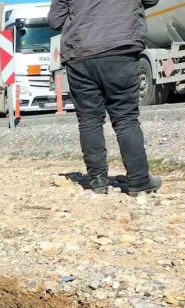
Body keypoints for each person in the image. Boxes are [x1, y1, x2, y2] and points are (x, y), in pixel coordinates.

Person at [48, 0, 163, 196]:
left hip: (81, 54)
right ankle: (139, 179)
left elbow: (54, 21)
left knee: (89, 119)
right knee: (125, 118)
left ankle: (98, 179)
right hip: (121, 49)